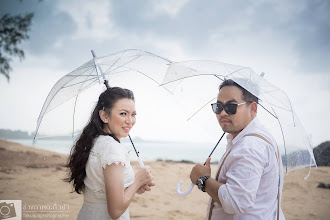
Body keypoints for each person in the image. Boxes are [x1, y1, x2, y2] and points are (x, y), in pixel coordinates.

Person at [190, 79, 285, 220]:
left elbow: (235, 202)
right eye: (218, 106)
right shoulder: (255, 138)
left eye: (231, 106)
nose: (222, 112)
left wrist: (203, 180)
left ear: (252, 108)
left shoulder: (250, 146)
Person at [65, 87, 154, 220]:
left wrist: (132, 187)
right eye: (123, 114)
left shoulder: (93, 141)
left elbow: (102, 187)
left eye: (133, 114)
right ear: (105, 116)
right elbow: (115, 210)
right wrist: (137, 181)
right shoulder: (112, 149)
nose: (130, 121)